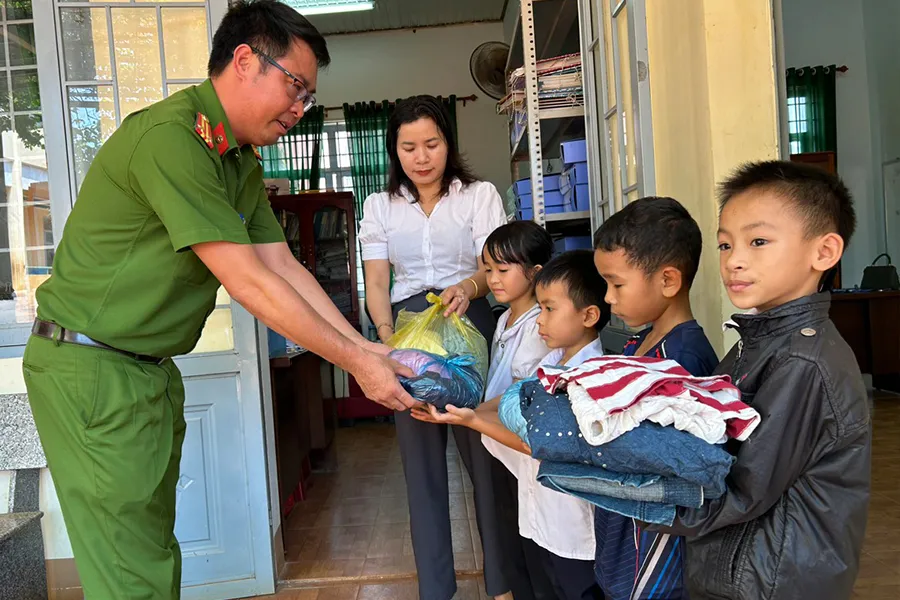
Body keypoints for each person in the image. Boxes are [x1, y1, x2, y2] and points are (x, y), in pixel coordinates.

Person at [21, 3, 416, 599]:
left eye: (308, 97)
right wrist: (357, 365)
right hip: (93, 369)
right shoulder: (171, 140)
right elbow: (248, 283)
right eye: (295, 87)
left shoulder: (235, 157)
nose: (299, 109)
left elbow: (280, 264)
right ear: (244, 61)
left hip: (145, 370)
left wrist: (365, 346)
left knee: (153, 554)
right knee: (133, 575)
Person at [645, 160, 870, 600]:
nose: (736, 260)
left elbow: (741, 488)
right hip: (740, 570)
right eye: (726, 245)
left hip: (770, 582)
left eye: (759, 241)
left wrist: (633, 496)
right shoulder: (759, 338)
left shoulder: (803, 361)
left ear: (823, 252)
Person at [358, 95, 518, 600]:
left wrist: (469, 289)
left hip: (467, 322)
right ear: (394, 150)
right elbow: (377, 281)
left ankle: (502, 585)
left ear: (449, 143)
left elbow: (493, 267)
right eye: (409, 147)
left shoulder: (478, 195)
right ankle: (436, 589)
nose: (421, 156)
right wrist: (388, 344)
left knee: (486, 457)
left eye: (432, 143)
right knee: (421, 466)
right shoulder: (379, 206)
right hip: (408, 334)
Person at [430, 249, 610, 600]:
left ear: (589, 315)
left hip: (570, 533)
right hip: (539, 519)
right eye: (539, 308)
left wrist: (470, 419)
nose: (539, 320)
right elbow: (515, 395)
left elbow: (536, 444)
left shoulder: (586, 378)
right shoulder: (553, 361)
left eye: (549, 309)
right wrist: (462, 412)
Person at [591, 196, 719, 599]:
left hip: (655, 540)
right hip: (622, 526)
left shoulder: (683, 359)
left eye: (617, 284)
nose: (609, 298)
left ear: (668, 280)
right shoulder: (641, 341)